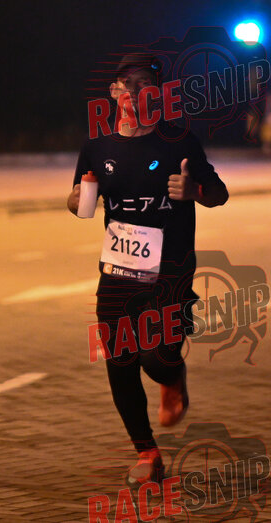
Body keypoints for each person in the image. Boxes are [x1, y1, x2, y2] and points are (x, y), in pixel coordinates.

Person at [68, 53, 229, 488]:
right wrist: (75, 200)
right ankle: (147, 453)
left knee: (156, 358)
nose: (135, 92)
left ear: (158, 95)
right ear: (113, 92)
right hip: (117, 272)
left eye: (145, 84)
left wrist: (194, 190)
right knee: (120, 360)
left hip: (170, 272)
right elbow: (79, 199)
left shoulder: (179, 143)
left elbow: (219, 193)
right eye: (127, 83)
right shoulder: (97, 147)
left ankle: (172, 376)